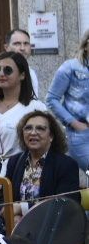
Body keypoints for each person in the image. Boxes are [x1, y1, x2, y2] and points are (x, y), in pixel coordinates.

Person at [3, 110, 79, 212]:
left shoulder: (67, 165)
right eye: (28, 128)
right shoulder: (14, 161)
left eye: (40, 128)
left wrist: (22, 209)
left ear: (51, 136)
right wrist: (13, 217)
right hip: (14, 225)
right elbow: (3, 201)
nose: (33, 133)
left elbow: (65, 204)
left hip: (49, 226)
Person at [45, 27, 89, 171]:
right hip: (81, 133)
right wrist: (74, 123)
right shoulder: (70, 67)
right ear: (87, 44)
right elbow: (52, 99)